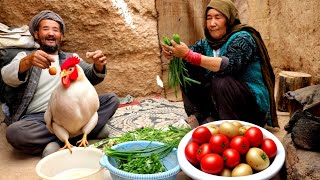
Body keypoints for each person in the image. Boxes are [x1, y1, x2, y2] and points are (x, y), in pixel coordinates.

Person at [0, 10, 119, 157]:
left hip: (72, 114)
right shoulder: (26, 57)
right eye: (45, 29)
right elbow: (6, 76)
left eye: (55, 30)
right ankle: (82, 133)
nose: (51, 33)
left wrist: (98, 65)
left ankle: (57, 142)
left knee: (111, 100)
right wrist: (27, 62)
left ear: (61, 36)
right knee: (15, 132)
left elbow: (91, 76)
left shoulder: (70, 58)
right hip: (40, 118)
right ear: (36, 34)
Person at [161, 0, 279, 129]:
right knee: (186, 68)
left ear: (229, 20)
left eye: (218, 17)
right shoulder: (206, 43)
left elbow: (228, 65)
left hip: (250, 108)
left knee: (221, 80)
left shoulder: (243, 38)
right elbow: (189, 55)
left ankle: (230, 130)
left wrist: (188, 55)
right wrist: (174, 53)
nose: (212, 23)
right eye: (209, 18)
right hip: (224, 104)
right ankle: (201, 117)